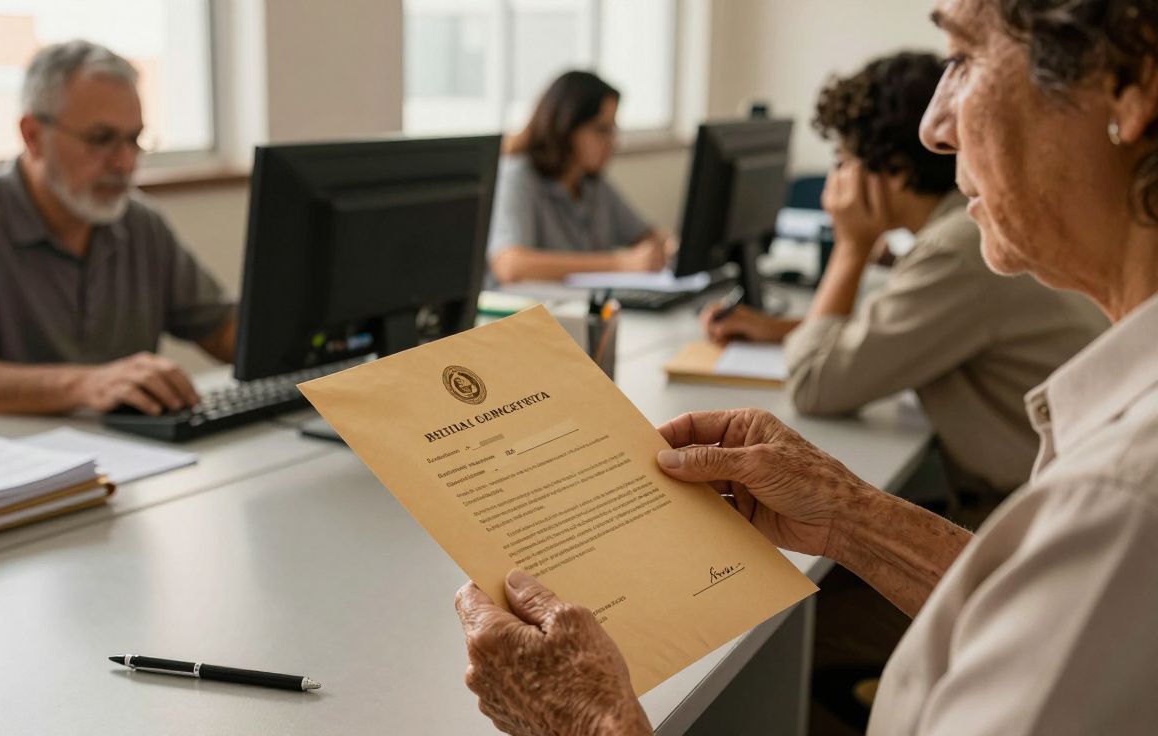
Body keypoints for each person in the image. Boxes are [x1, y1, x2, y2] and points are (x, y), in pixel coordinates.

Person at [455, 0, 1158, 733]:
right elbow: (1035, 608)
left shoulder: (1121, 506)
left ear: (1131, 84)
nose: (934, 126)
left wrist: (591, 722)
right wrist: (853, 517)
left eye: (963, 57)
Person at [701, 51, 1107, 518]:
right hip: (1050, 496)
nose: (837, 178)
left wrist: (851, 246)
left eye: (844, 160)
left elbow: (815, 385)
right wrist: (783, 328)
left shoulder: (955, 251)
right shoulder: (969, 228)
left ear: (889, 169)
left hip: (1033, 518)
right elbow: (907, 327)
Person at [0, 40, 236, 424]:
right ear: (33, 136)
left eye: (134, 140)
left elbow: (221, 330)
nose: (124, 162)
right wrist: (86, 384)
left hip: (108, 461)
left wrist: (304, 335)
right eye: (101, 139)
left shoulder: (139, 224)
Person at [487, 71, 672, 284]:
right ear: (565, 127)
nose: (613, 142)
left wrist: (668, 248)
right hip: (533, 313)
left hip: (581, 308)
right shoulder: (517, 177)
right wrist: (618, 264)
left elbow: (647, 235)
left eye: (613, 130)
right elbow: (511, 266)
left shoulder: (593, 184)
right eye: (601, 130)